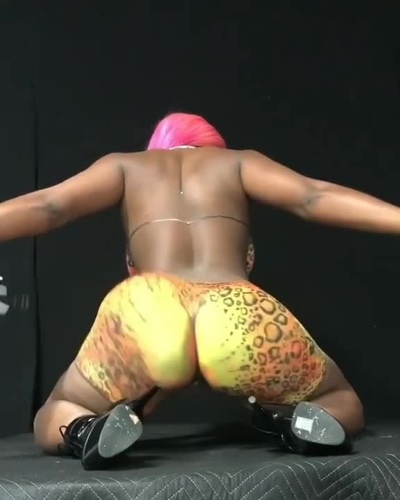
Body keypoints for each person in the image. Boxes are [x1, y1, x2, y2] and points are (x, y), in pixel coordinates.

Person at [2, 111, 397, 470]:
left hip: (149, 306)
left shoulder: (123, 166)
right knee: (339, 400)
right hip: (236, 308)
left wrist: (157, 380)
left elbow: (49, 206)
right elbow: (313, 197)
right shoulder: (239, 162)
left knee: (61, 408)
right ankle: (291, 422)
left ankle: (85, 429)